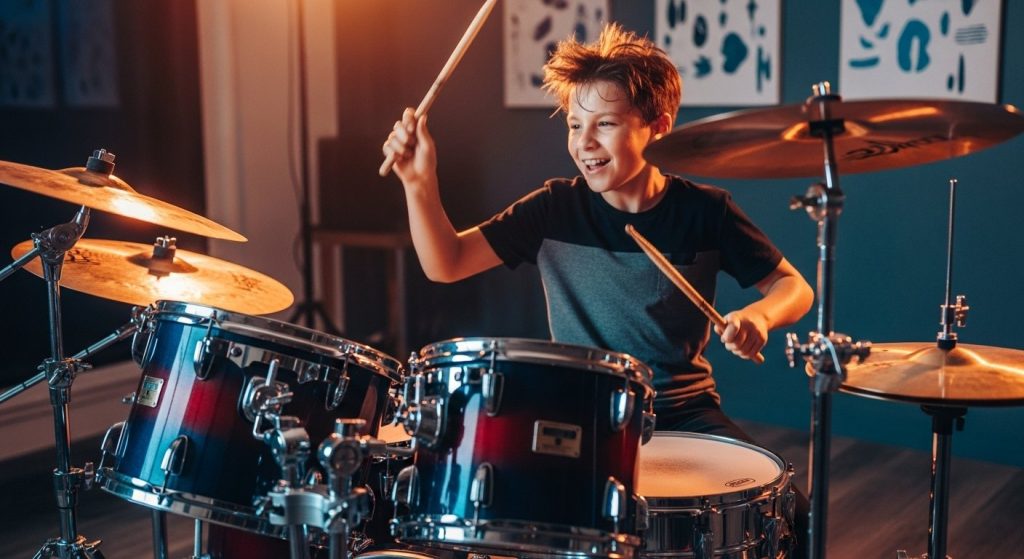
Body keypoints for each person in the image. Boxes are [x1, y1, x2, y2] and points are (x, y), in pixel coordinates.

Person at [383, 22, 814, 558]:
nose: (584, 143)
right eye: (573, 124)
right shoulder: (554, 208)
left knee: (793, 514)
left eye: (605, 124)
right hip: (578, 413)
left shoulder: (706, 212)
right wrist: (417, 183)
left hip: (681, 409)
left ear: (658, 125)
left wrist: (760, 318)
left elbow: (794, 287)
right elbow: (445, 263)